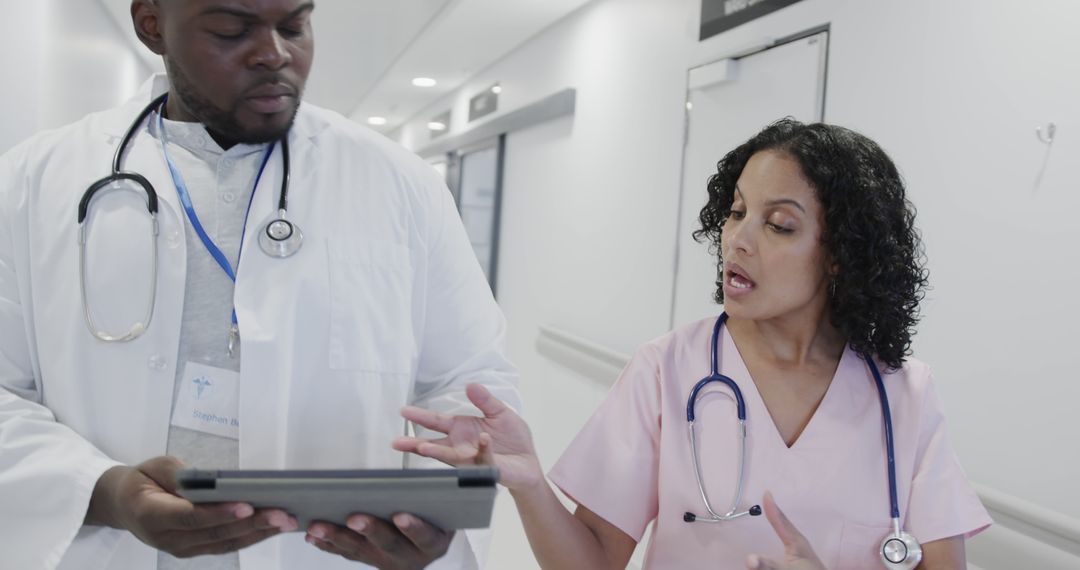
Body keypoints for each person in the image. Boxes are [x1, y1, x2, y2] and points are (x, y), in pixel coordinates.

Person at [0, 1, 519, 569]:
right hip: (112, 550)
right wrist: (104, 492)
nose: (275, 54)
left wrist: (431, 505)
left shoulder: (399, 184)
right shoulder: (33, 181)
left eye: (294, 25)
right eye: (232, 29)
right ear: (152, 25)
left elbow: (467, 380)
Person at [395, 119, 992, 569]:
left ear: (841, 256)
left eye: (778, 224)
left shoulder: (902, 394)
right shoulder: (668, 369)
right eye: (735, 213)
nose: (739, 240)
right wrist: (528, 482)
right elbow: (595, 560)